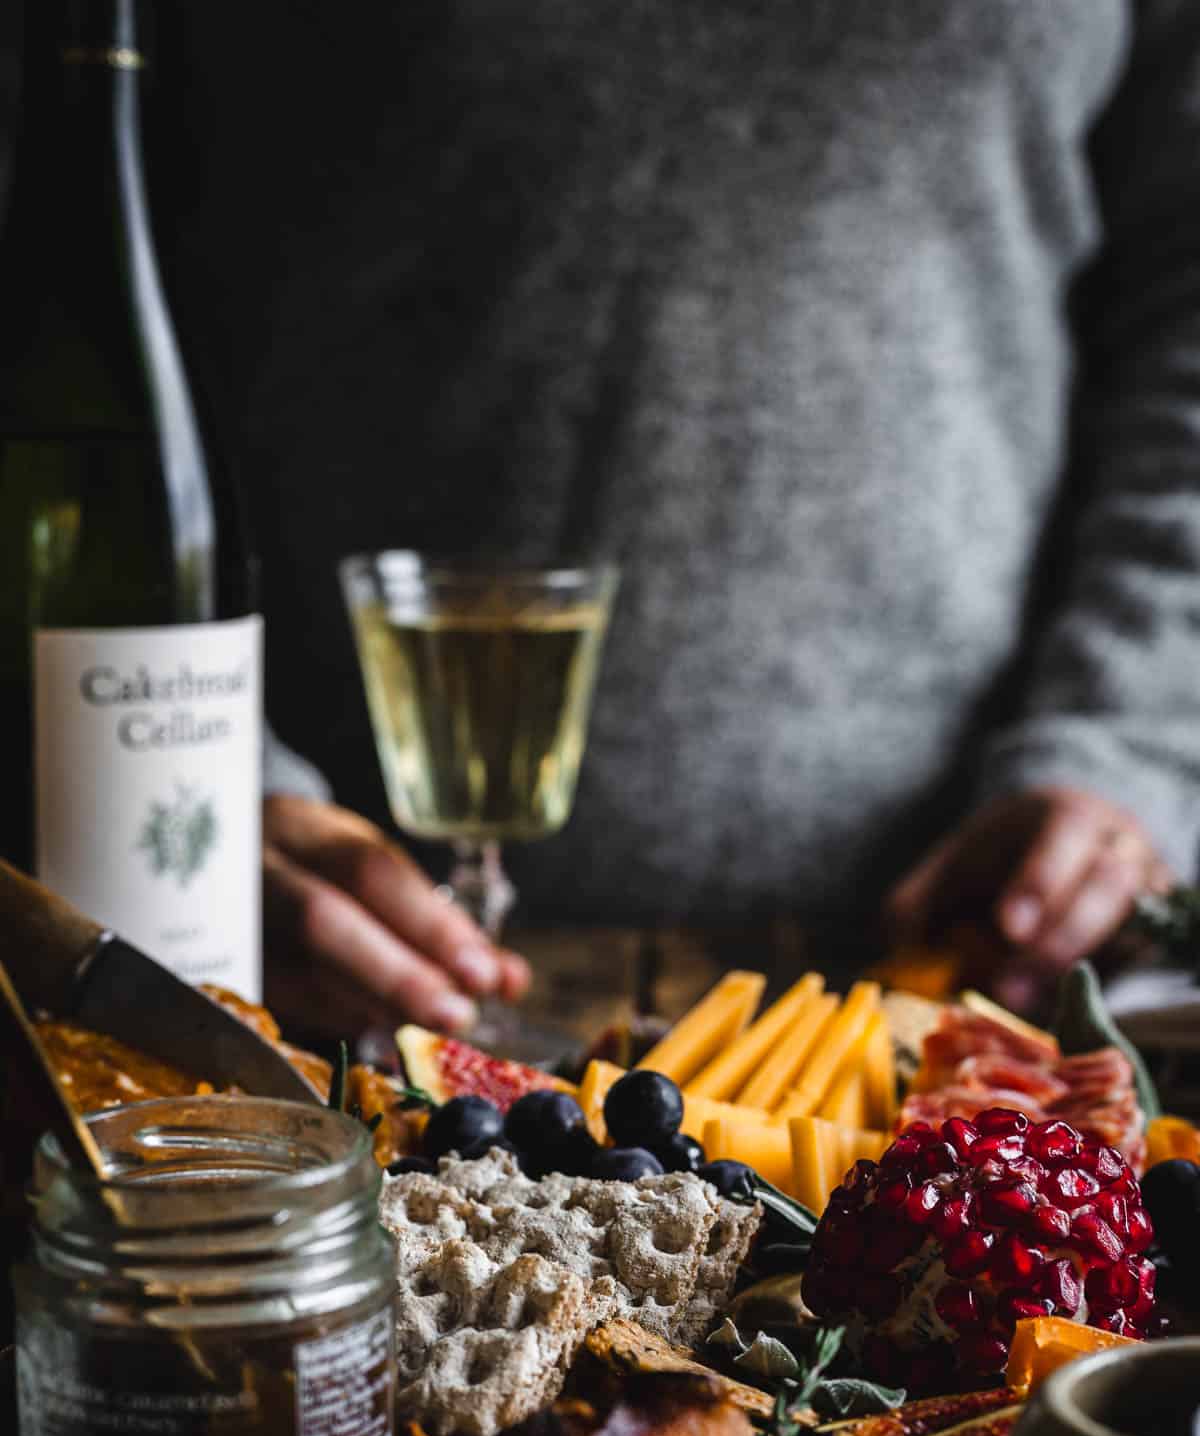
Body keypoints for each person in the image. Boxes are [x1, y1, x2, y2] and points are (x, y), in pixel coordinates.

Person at [132, 5, 1200, 1032]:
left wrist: (1124, 740)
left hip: (956, 975)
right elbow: (56, 260)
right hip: (292, 986)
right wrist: (163, 781)